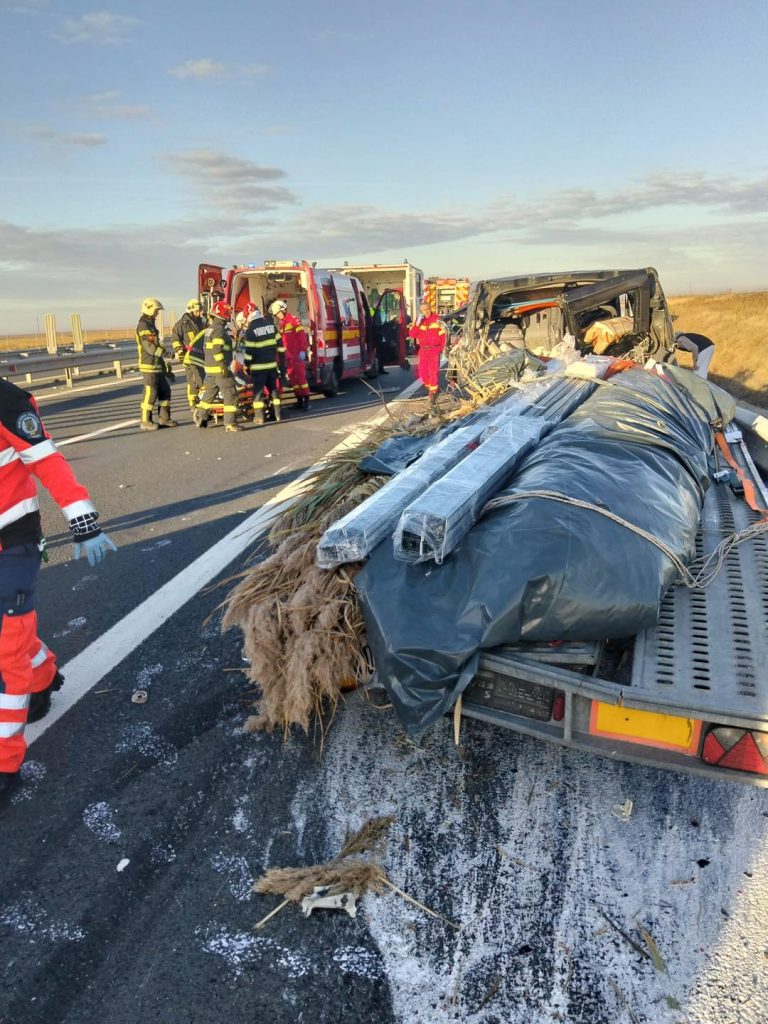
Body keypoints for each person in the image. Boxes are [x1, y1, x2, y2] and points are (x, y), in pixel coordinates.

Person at [0, 379, 117, 796]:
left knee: (3, 657)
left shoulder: (6, 399)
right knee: (10, 638)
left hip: (11, 545)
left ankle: (5, 764)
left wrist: (84, 524)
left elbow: (46, 461)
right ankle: (43, 676)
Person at [194, 301, 242, 433]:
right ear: (222, 314)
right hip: (219, 370)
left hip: (210, 369)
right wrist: (223, 366)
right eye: (227, 314)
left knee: (209, 394)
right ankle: (230, 423)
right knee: (231, 394)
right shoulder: (219, 329)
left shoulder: (210, 329)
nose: (228, 316)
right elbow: (217, 349)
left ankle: (200, 417)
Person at [242, 302, 287, 426]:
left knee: (258, 393)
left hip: (258, 369)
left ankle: (259, 417)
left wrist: (246, 365)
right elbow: (281, 347)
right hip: (272, 366)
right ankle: (278, 415)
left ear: (248, 315)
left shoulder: (251, 330)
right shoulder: (271, 326)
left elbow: (249, 352)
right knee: (274, 390)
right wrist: (282, 364)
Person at [136, 297, 177, 430]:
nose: (158, 313)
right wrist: (166, 353)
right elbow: (150, 347)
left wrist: (165, 366)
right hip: (149, 365)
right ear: (149, 309)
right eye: (156, 310)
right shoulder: (144, 325)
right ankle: (145, 421)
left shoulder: (150, 324)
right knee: (151, 392)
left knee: (165, 391)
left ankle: (164, 418)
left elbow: (155, 345)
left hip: (157, 364)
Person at [270, 300, 311, 412]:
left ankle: (306, 401)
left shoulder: (293, 320)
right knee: (293, 381)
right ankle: (299, 401)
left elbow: (302, 335)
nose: (277, 316)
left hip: (297, 355)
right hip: (288, 358)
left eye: (278, 313)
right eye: (276, 314)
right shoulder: (282, 324)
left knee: (301, 379)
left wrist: (303, 350)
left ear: (283, 310)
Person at [408, 297, 447, 406]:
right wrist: (417, 324)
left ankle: (433, 393)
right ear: (421, 311)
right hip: (423, 350)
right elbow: (412, 334)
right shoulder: (419, 321)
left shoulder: (437, 320)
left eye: (428, 309)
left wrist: (442, 349)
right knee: (423, 373)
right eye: (424, 310)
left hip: (434, 349)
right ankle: (433, 389)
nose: (426, 311)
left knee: (433, 372)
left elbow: (443, 335)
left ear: (430, 308)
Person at [170, 300, 206, 409]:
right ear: (190, 310)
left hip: (203, 356)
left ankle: (204, 398)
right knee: (194, 379)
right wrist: (181, 354)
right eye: (196, 311)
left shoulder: (202, 322)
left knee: (205, 377)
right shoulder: (181, 325)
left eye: (200, 311)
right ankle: (193, 402)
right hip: (189, 357)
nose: (199, 313)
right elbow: (175, 340)